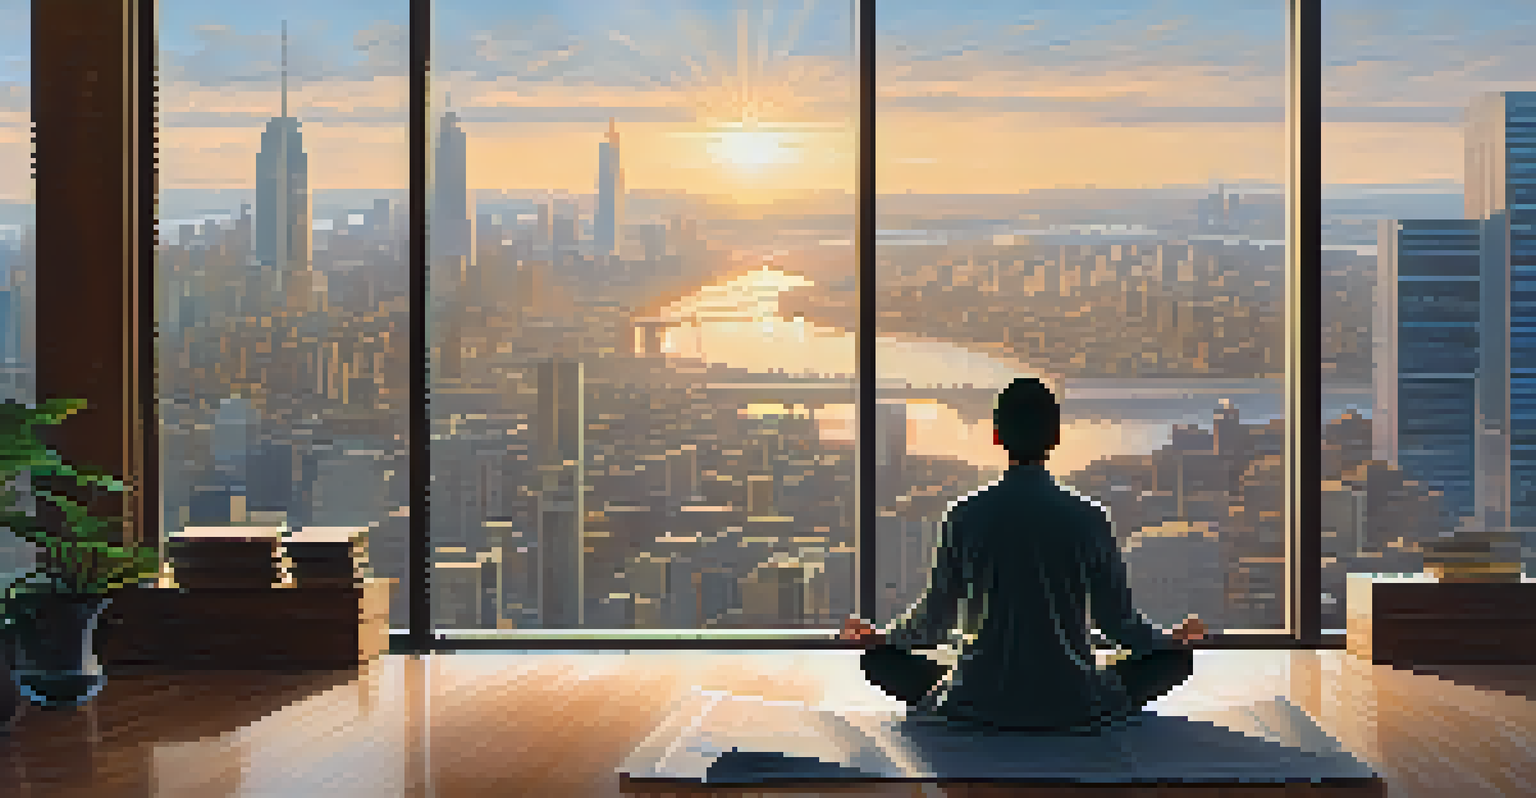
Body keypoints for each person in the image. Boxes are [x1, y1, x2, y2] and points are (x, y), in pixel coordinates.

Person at [840, 376, 1206, 733]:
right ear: (1057, 438)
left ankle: (967, 689)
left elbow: (934, 622)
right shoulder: (1089, 517)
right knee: (1174, 661)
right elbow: (1118, 625)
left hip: (976, 701)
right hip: (1074, 703)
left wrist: (883, 639)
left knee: (879, 663)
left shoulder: (965, 514)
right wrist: (1169, 640)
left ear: (997, 436)